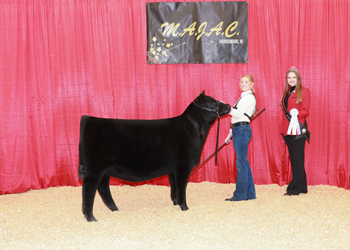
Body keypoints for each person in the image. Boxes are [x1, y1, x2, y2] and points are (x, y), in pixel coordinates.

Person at [224, 75, 257, 201]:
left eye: (246, 81)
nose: (243, 83)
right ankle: (249, 194)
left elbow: (237, 114)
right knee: (244, 162)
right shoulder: (243, 97)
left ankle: (240, 195)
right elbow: (237, 118)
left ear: (252, 84)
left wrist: (226, 108)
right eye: (242, 81)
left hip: (242, 130)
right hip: (239, 129)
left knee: (241, 163)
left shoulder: (249, 97)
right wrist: (230, 134)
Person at [280, 66, 311, 196]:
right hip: (287, 129)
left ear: (298, 78)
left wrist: (296, 114)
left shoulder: (304, 91)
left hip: (298, 128)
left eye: (294, 77)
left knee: (297, 158)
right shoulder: (286, 92)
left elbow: (306, 111)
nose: (291, 80)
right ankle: (303, 186)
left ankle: (294, 188)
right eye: (289, 77)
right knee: (294, 158)